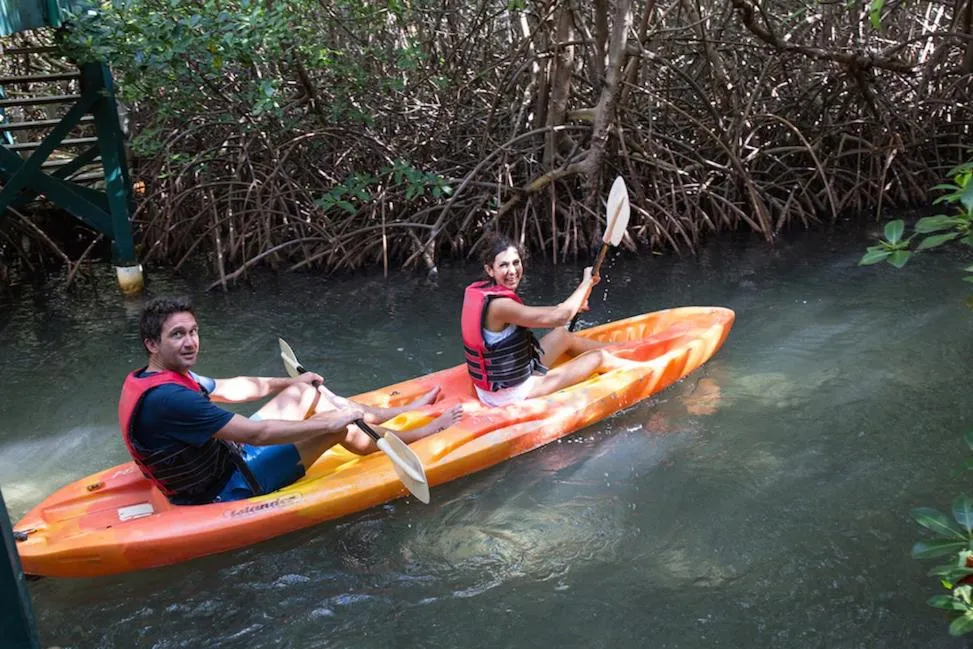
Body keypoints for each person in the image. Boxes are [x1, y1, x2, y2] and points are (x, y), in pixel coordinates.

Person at [119, 296, 462, 505]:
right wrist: (331, 422)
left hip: (229, 459)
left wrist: (293, 382)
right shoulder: (171, 399)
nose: (190, 342)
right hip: (229, 486)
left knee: (307, 392)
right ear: (152, 344)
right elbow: (256, 435)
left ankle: (401, 411)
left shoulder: (154, 376)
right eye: (177, 335)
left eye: (193, 331)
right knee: (338, 428)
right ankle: (423, 432)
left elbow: (234, 387)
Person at [462, 234, 637, 407]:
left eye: (516, 262)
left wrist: (574, 304)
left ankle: (623, 351)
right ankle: (644, 368)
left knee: (562, 335)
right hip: (510, 395)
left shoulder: (483, 293)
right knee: (599, 358)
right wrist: (586, 283)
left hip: (492, 387)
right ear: (490, 269)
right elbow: (560, 317)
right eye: (504, 265)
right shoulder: (499, 306)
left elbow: (539, 314)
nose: (512, 271)